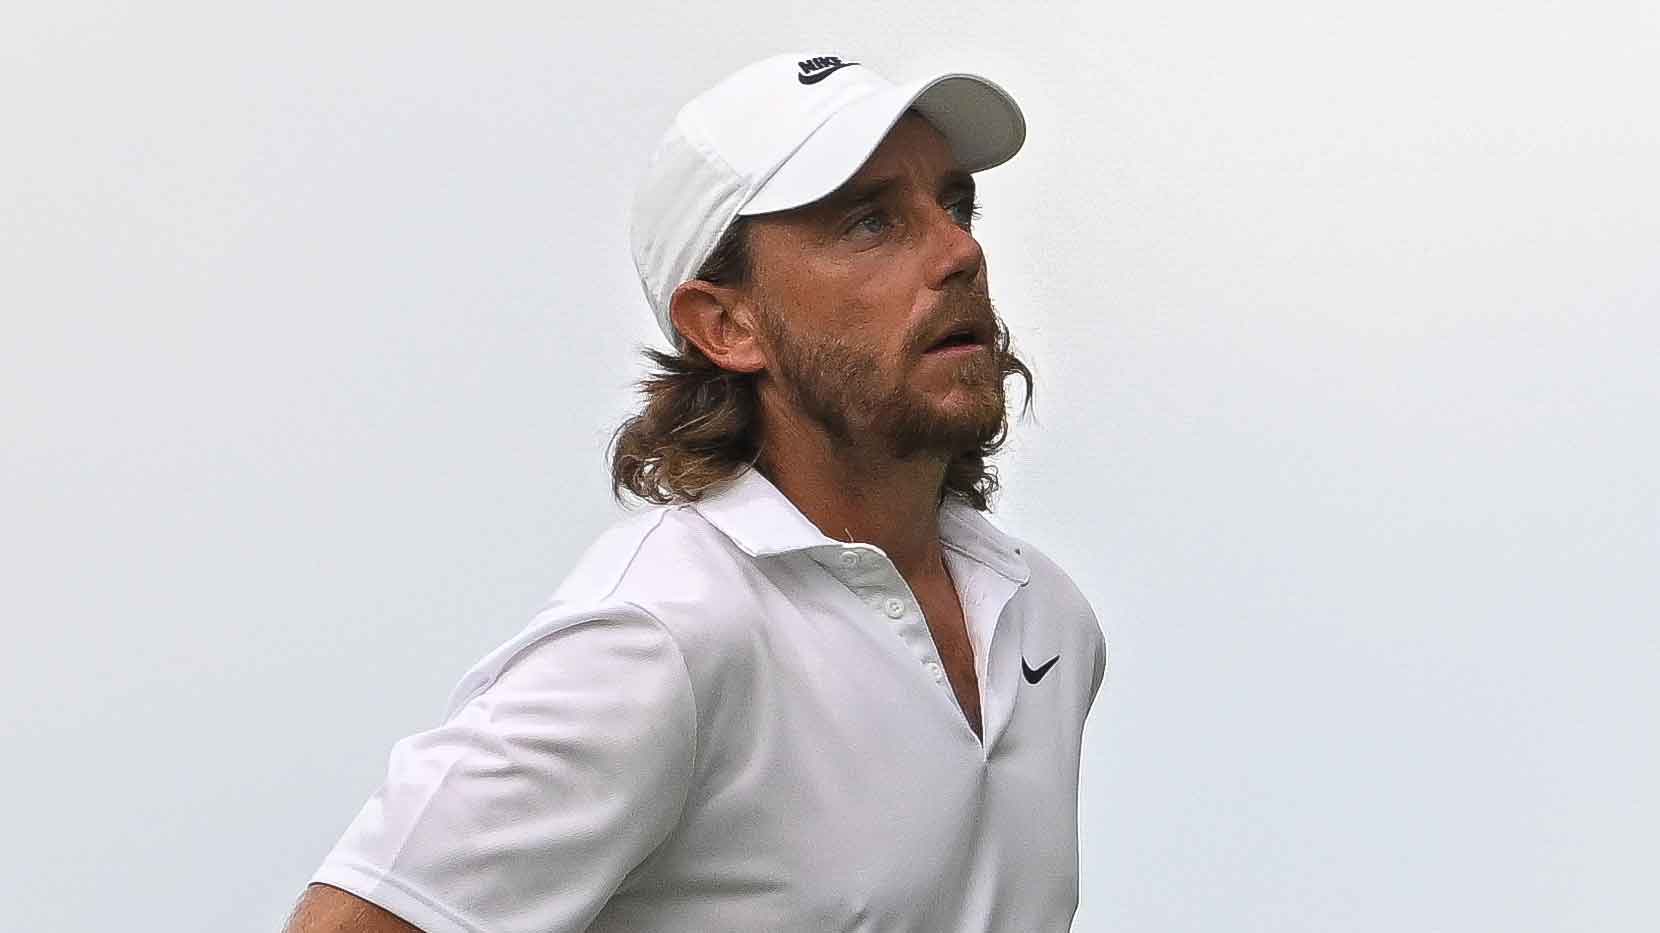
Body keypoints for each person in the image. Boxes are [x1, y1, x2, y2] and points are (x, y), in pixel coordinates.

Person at [285, 50, 1108, 933]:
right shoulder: (661, 633)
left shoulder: (1046, 618)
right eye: (870, 222)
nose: (960, 252)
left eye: (953, 204)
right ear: (726, 324)